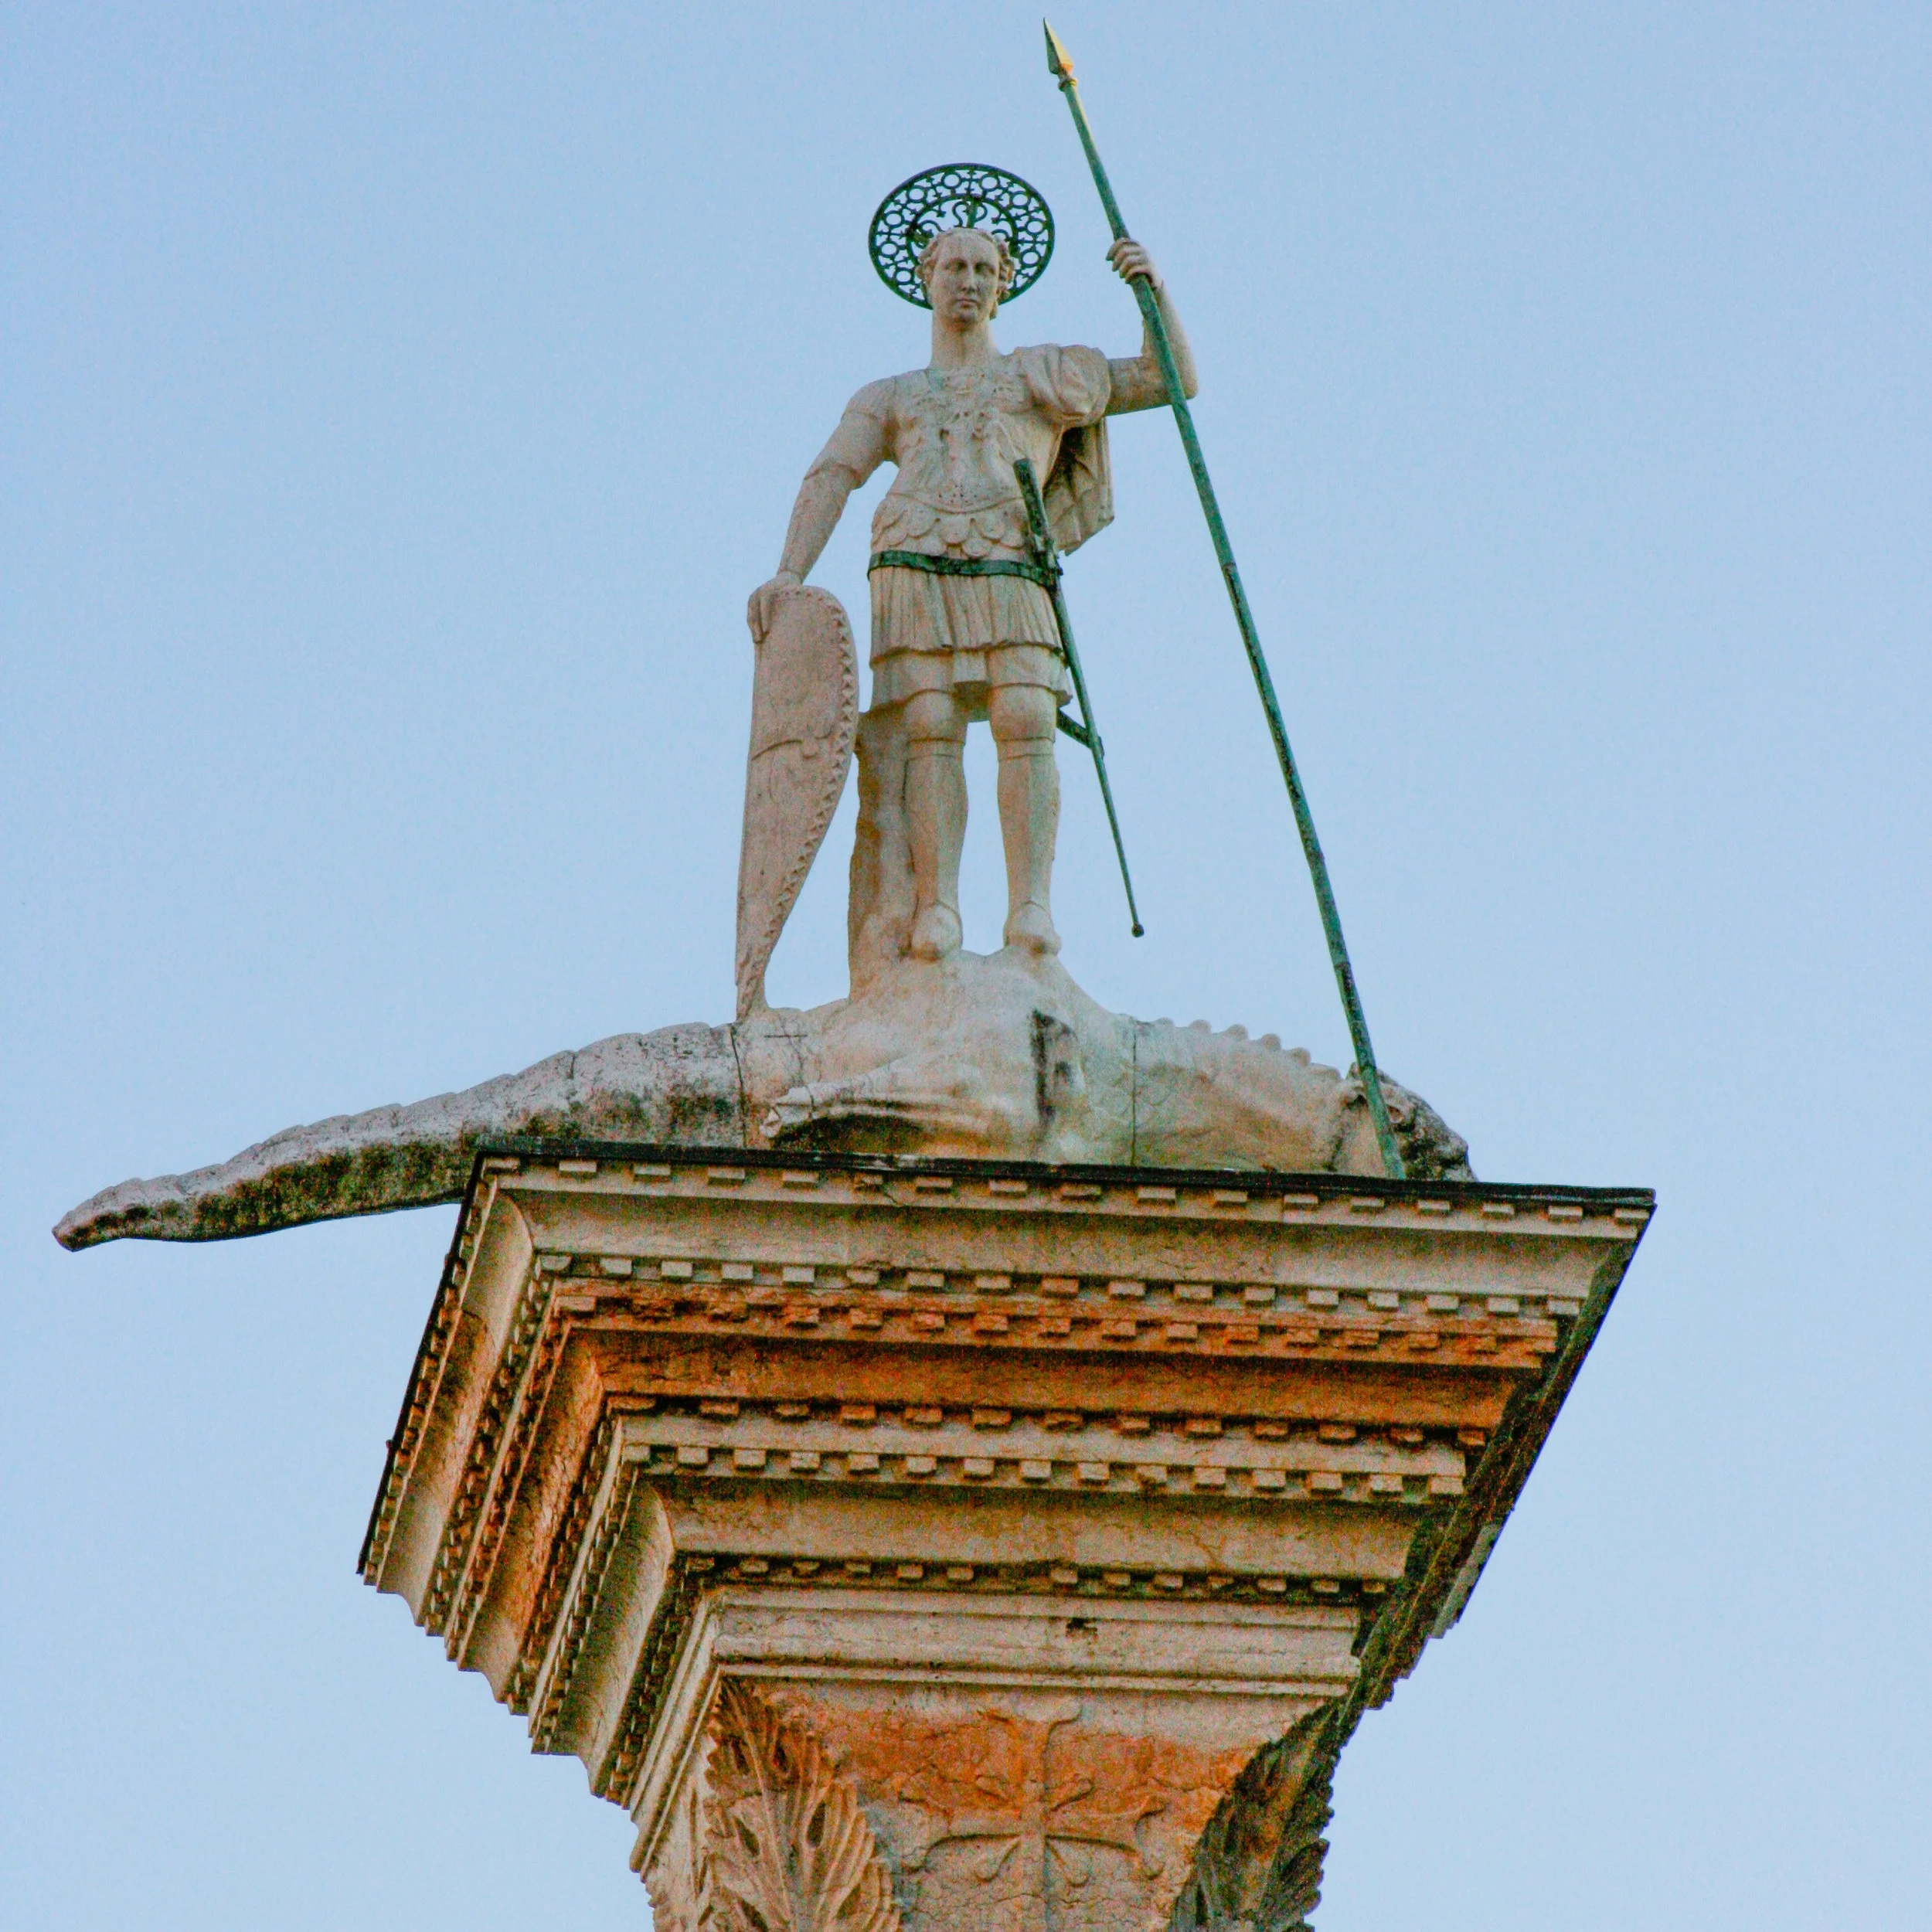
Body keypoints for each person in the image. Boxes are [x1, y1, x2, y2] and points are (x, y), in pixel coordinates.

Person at [748, 224, 1196, 963]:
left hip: (1010, 549)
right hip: (912, 552)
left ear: (1003, 283)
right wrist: (789, 570)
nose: (969, 280)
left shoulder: (1043, 374)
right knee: (929, 724)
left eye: (984, 268)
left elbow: (1170, 377)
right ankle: (938, 908)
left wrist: (1152, 290)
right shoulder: (892, 394)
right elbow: (833, 472)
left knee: (1027, 713)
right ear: (926, 277)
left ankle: (1031, 909)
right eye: (954, 265)